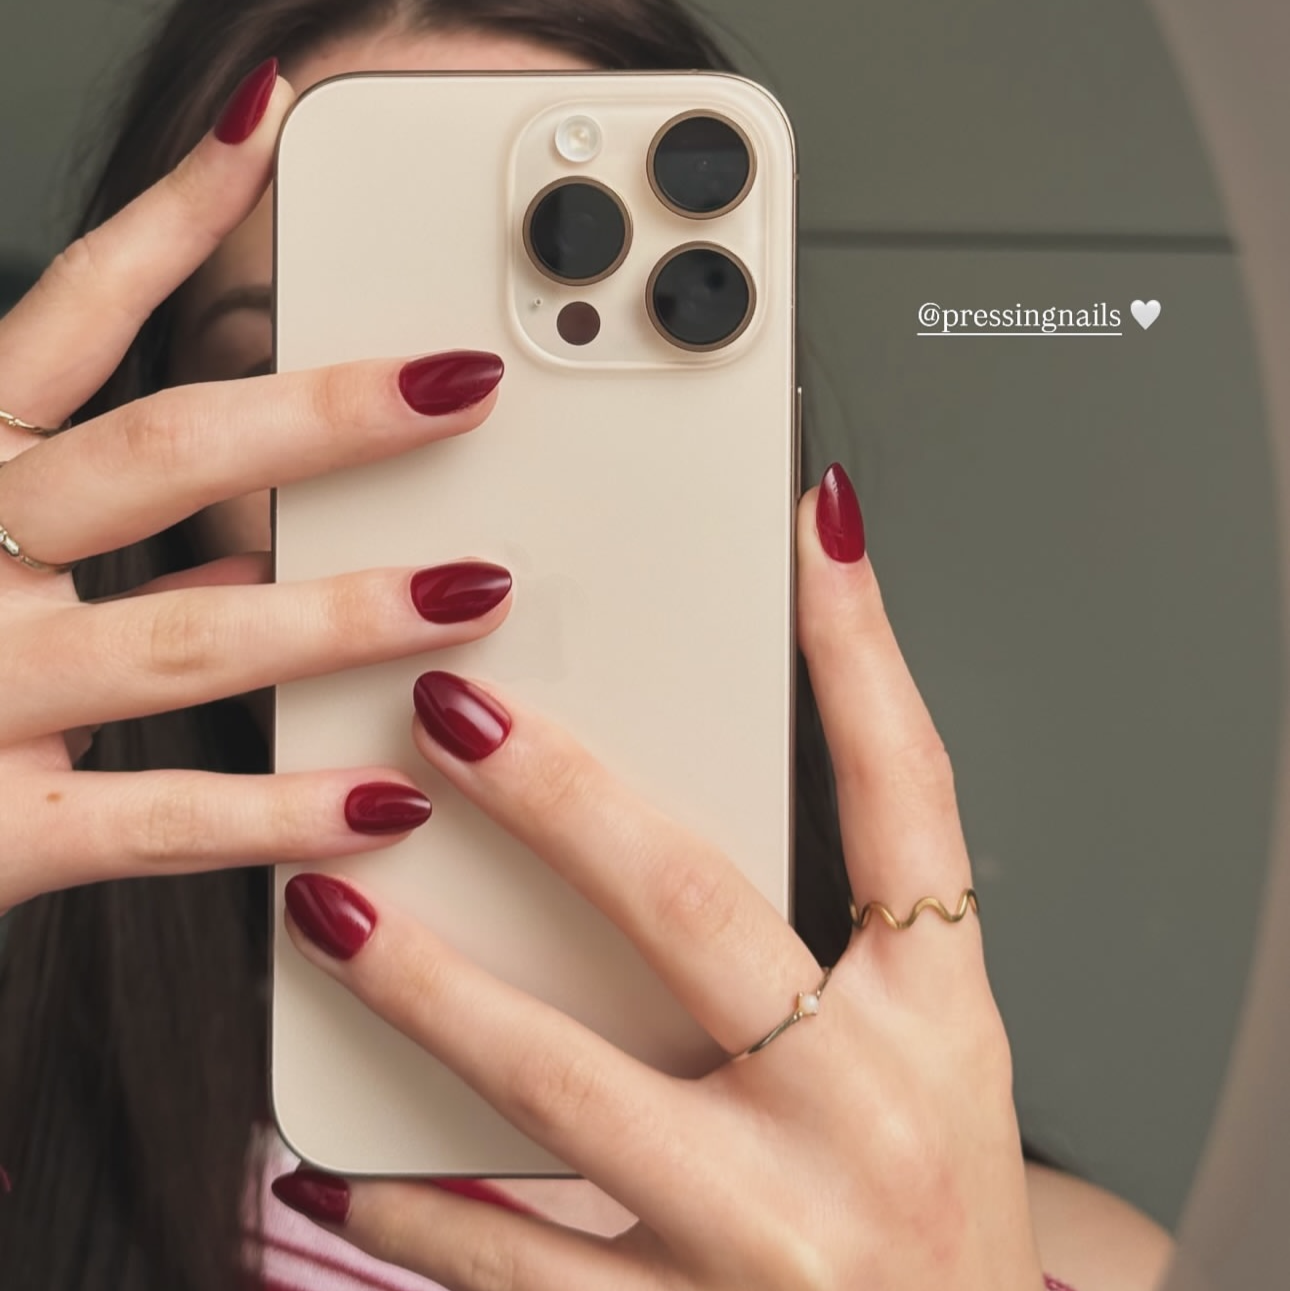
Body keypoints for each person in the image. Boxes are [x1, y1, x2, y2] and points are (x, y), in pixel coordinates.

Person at [0, 1, 1176, 1287]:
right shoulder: (35, 1168)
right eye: (288, 380)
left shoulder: (1081, 1263)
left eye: (542, 408)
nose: (449, 492)